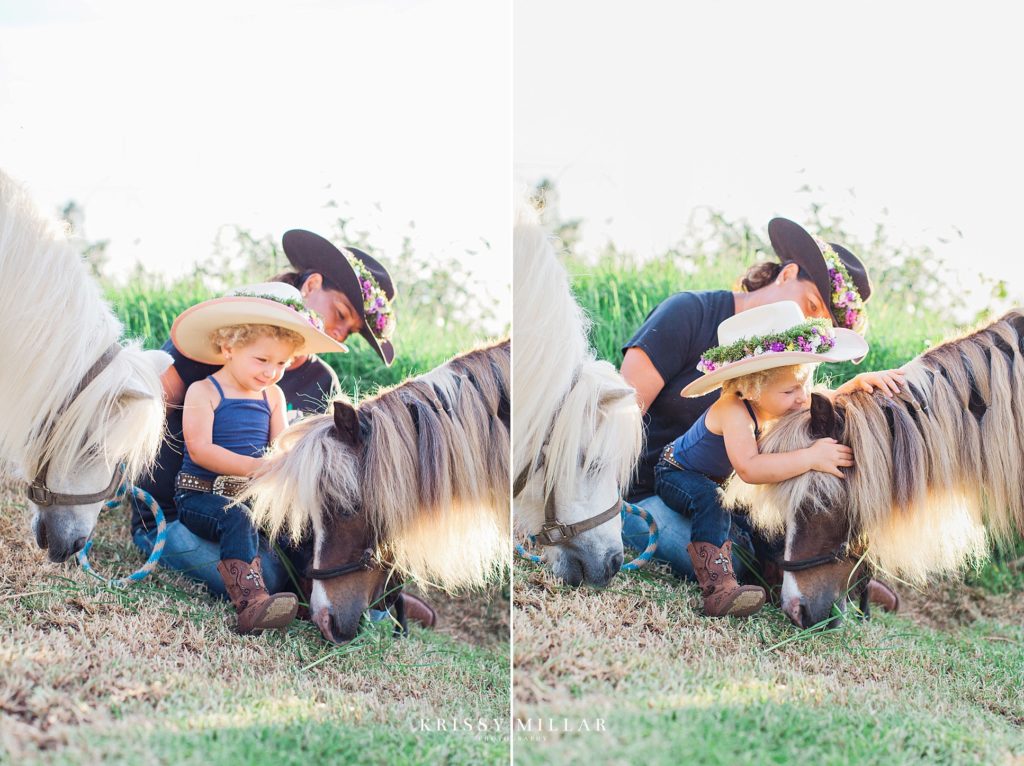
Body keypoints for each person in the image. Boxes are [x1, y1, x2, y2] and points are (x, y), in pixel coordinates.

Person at [131, 231, 436, 627]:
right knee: (273, 577)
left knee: (311, 542)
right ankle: (295, 599)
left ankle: (374, 595)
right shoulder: (222, 344)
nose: (340, 333)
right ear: (311, 286)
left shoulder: (321, 382)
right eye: (341, 314)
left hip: (258, 516)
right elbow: (146, 412)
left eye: (352, 331)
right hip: (181, 511)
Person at [619, 217, 900, 612]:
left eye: (820, 325)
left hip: (726, 495)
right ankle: (757, 575)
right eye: (811, 306)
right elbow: (620, 414)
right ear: (786, 274)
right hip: (649, 491)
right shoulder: (689, 314)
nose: (805, 324)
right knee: (732, 556)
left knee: (772, 523)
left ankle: (826, 571)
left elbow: (788, 407)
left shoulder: (781, 376)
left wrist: (847, 391)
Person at [659, 300, 903, 617]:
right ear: (750, 389)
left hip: (721, 480)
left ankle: (841, 582)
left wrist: (855, 385)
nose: (801, 397)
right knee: (712, 502)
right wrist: (811, 457)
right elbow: (749, 469)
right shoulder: (733, 410)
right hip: (679, 473)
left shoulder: (779, 401)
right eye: (790, 391)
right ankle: (717, 589)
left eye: (803, 384)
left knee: (766, 522)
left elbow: (817, 401)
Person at [170, 282, 346, 632]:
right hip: (200, 494)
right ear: (228, 347)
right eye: (262, 360)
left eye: (281, 363)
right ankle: (250, 602)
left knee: (291, 529)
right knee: (238, 519)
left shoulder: (273, 397)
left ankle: (311, 596)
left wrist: (286, 468)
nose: (270, 371)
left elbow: (279, 446)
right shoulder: (205, 391)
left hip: (250, 493)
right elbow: (200, 450)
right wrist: (257, 468)